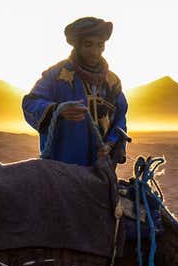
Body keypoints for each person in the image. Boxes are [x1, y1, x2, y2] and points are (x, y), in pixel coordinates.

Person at [22, 17, 128, 167]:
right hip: (61, 165)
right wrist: (57, 110)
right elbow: (30, 103)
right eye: (88, 45)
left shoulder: (112, 82)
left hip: (101, 167)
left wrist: (110, 144)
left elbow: (120, 118)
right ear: (77, 45)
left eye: (100, 45)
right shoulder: (56, 75)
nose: (95, 52)